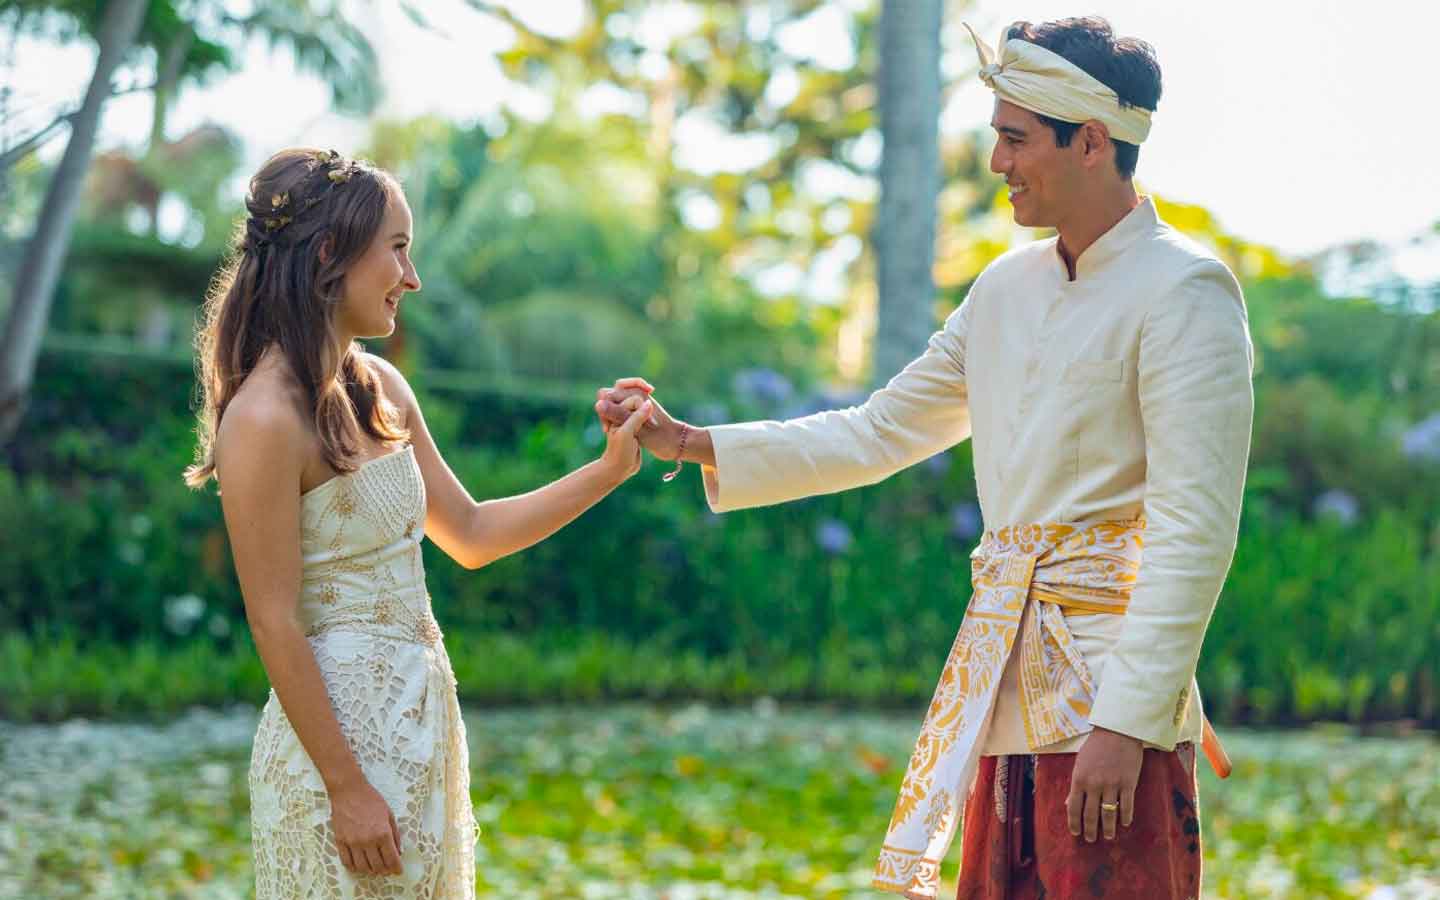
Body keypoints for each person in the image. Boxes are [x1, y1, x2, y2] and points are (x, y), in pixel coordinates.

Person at [598, 16, 1253, 900]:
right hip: (1001, 701)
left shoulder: (1188, 289)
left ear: (1093, 141)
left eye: (1016, 139)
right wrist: (692, 443)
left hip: (1110, 710)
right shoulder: (1004, 288)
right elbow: (878, 431)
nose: (997, 162)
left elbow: (1193, 531)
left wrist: (1127, 724)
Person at [184, 147, 653, 898]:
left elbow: (471, 533)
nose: (412, 277)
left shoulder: (382, 387)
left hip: (422, 724)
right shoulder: (263, 418)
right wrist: (346, 789)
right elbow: (274, 621)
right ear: (329, 254)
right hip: (334, 760)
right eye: (398, 249)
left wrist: (608, 471)